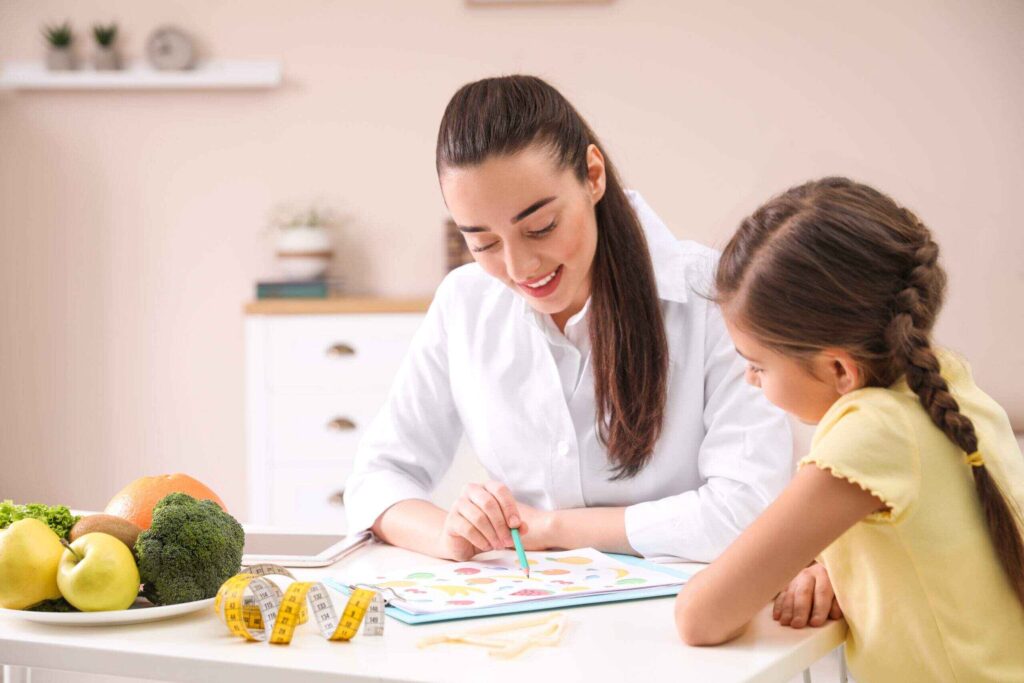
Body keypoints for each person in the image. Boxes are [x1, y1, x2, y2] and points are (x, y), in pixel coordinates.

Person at [344, 75, 792, 563]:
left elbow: (750, 510)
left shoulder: (709, 293)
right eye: (483, 243)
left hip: (685, 600)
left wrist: (555, 529)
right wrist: (448, 534)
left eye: (541, 227)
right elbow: (376, 478)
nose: (519, 267)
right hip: (528, 600)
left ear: (593, 176)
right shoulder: (465, 302)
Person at [674, 177, 1024, 681]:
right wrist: (827, 568)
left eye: (758, 365)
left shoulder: (870, 431)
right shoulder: (944, 384)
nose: (749, 379)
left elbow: (700, 617)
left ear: (840, 369)